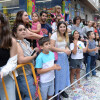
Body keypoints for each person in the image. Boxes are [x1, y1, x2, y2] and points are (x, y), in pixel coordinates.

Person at [12, 23, 38, 100]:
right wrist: (33, 56)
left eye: (24, 29)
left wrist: (34, 51)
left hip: (29, 72)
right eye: (20, 30)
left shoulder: (25, 41)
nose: (23, 31)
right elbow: (20, 60)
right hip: (23, 74)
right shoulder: (17, 43)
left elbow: (27, 54)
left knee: (26, 94)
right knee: (32, 95)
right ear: (15, 33)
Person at [51, 21, 71, 98]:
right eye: (61, 27)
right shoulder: (54, 35)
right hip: (57, 57)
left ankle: (62, 90)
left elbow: (65, 46)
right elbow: (51, 47)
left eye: (64, 27)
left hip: (64, 58)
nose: (62, 28)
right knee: (58, 75)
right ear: (58, 28)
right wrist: (63, 50)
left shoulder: (65, 35)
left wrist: (67, 50)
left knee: (64, 74)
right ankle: (56, 93)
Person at [0, 12, 17, 100]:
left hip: (6, 74)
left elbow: (13, 61)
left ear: (2, 23)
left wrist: (3, 71)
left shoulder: (11, 40)